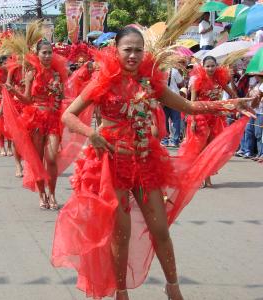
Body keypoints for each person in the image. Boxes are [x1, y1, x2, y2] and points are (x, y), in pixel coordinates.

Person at [51, 27, 253, 300]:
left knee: (160, 229)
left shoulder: (150, 82)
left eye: (138, 50)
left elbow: (189, 107)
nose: (133, 55)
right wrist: (92, 134)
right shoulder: (103, 81)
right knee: (120, 235)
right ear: (116, 50)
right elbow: (68, 115)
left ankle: (173, 286)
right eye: (128, 49)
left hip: (145, 162)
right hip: (111, 165)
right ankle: (121, 292)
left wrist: (230, 105)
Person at [5, 39, 68, 210]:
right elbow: (27, 100)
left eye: (50, 52)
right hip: (35, 119)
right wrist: (14, 91)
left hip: (53, 118)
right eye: (44, 52)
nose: (47, 56)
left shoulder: (57, 73)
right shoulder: (31, 73)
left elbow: (62, 97)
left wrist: (56, 98)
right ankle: (42, 195)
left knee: (52, 158)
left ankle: (53, 194)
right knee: (37, 160)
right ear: (38, 54)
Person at [179, 56, 237, 188]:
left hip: (215, 119)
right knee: (199, 150)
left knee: (210, 150)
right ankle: (196, 179)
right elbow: (192, 103)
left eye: (212, 66)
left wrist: (226, 106)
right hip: (200, 118)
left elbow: (232, 94)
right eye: (207, 66)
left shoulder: (219, 80)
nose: (210, 68)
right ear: (202, 67)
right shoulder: (197, 81)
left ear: (216, 66)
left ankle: (207, 179)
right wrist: (193, 120)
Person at [161, 67, 184, 147]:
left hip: (163, 98)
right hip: (174, 98)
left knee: (164, 120)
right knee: (176, 120)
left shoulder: (158, 70)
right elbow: (181, 83)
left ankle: (164, 141)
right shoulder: (174, 70)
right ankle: (175, 141)